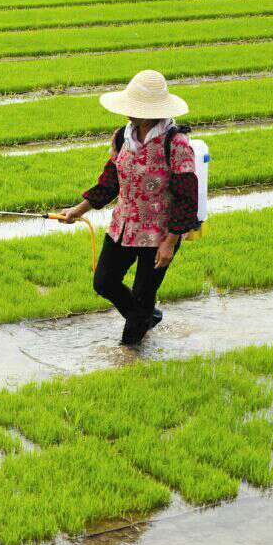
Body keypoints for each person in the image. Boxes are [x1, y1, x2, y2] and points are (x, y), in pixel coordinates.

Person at [60, 70, 198, 347]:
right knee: (104, 282)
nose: (128, 114)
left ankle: (131, 355)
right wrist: (80, 209)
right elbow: (111, 180)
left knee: (142, 296)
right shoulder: (122, 137)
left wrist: (170, 243)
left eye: (135, 109)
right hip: (122, 226)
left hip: (158, 234)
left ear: (152, 112)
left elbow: (187, 199)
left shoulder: (176, 144)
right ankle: (147, 317)